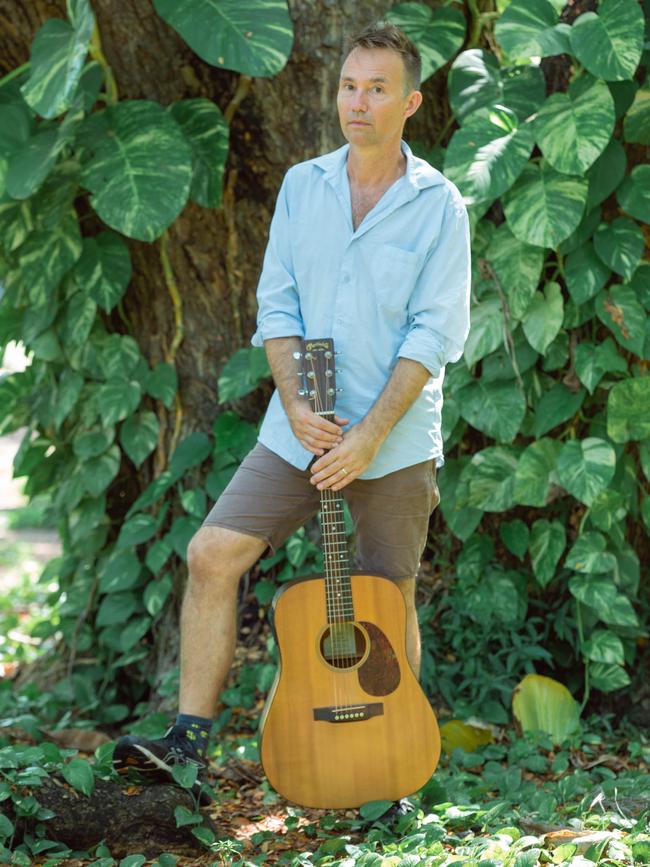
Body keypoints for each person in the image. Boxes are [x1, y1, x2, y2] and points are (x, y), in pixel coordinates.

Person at [112, 20, 470, 806]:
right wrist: (298, 405)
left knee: (386, 597)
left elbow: (434, 334)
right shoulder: (304, 186)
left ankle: (392, 762)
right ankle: (188, 746)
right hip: (298, 431)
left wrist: (367, 437)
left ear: (410, 102)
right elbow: (276, 304)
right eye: (348, 85)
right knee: (211, 554)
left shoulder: (439, 205)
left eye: (377, 89)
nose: (358, 102)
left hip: (395, 441)